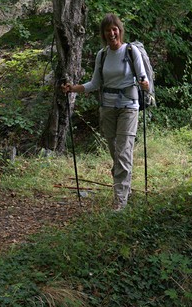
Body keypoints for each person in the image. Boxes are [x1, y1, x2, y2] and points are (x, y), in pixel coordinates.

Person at [62, 13, 149, 211]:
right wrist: (73, 88)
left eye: (114, 29)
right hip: (108, 108)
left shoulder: (131, 51)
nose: (112, 33)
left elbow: (144, 80)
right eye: (107, 30)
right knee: (115, 152)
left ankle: (120, 200)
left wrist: (145, 85)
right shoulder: (102, 55)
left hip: (129, 106)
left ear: (120, 30)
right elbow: (95, 83)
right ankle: (125, 188)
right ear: (103, 33)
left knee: (123, 151)